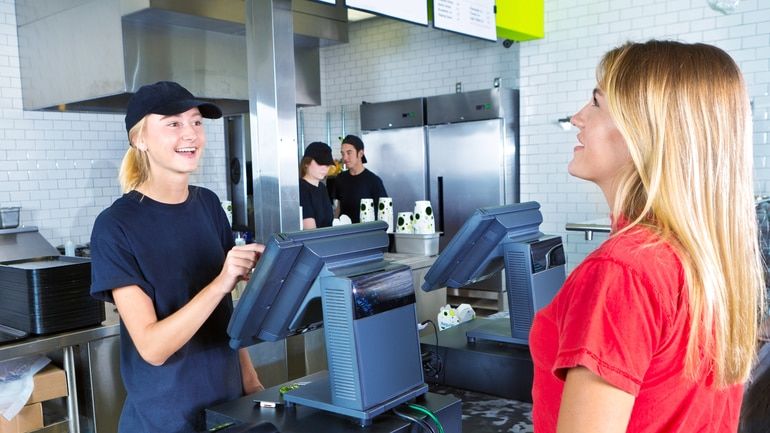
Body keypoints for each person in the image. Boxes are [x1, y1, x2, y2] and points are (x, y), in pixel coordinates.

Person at [529, 40, 765, 433]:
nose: (577, 117)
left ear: (646, 128)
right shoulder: (704, 257)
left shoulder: (622, 270)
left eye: (597, 103)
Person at [89, 81, 264, 433]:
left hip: (227, 411)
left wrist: (253, 386)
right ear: (140, 139)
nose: (191, 134)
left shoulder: (209, 205)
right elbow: (152, 348)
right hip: (165, 420)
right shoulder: (115, 226)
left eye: (196, 122)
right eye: (173, 123)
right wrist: (221, 281)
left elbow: (224, 318)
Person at [333, 134, 388, 223]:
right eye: (342, 154)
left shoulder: (374, 181)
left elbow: (383, 213)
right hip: (344, 233)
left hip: (366, 234)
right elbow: (338, 208)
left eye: (349, 152)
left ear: (361, 153)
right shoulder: (340, 178)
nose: (345, 158)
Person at [299, 141, 334, 229]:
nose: (325, 168)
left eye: (327, 164)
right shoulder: (301, 188)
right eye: (320, 163)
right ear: (306, 163)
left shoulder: (322, 187)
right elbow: (310, 231)